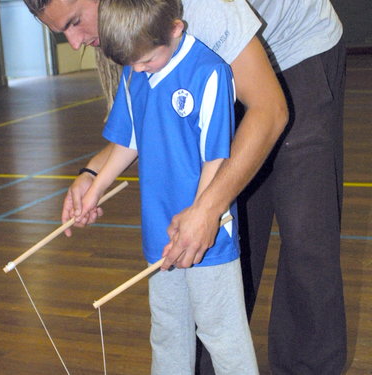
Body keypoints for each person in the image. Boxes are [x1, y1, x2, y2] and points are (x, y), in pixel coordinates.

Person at [22, 0, 347, 374]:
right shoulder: (140, 37)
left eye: (76, 23)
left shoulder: (201, 11)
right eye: (61, 32)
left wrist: (208, 209)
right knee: (237, 239)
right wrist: (94, 175)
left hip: (296, 49)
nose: (76, 43)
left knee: (306, 237)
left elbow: (270, 109)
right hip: (220, 62)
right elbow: (141, 121)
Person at [74, 0, 259, 373]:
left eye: (146, 62)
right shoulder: (133, 68)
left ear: (175, 29)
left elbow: (217, 159)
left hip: (208, 236)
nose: (139, 71)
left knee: (221, 333)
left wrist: (198, 217)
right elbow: (128, 140)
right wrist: (96, 185)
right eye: (132, 65)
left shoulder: (209, 73)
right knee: (167, 332)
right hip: (159, 233)